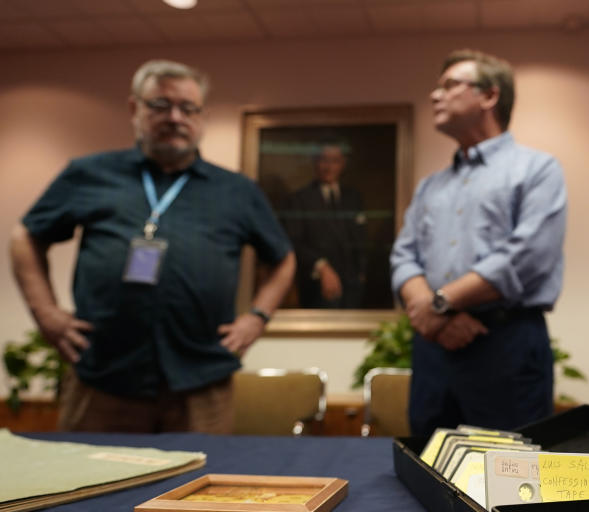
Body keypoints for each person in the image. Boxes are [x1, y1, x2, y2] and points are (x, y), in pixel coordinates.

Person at [9, 59, 295, 434]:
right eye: (160, 105)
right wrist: (46, 313)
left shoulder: (237, 191)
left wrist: (257, 317)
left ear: (201, 116)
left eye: (188, 108)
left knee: (199, 490)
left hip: (202, 384)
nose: (175, 117)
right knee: (90, 488)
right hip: (104, 379)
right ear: (134, 109)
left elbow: (283, 259)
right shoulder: (89, 174)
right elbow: (25, 237)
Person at [390, 49, 567, 437]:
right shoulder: (430, 186)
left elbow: (527, 256)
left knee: (513, 479)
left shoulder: (536, 169)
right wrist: (437, 319)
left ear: (489, 96)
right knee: (427, 469)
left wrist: (439, 303)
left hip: (505, 346)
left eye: (450, 85)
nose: (436, 95)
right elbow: (404, 256)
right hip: (433, 350)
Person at [287, 141, 367, 308]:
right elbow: (293, 241)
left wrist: (361, 272)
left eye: (335, 161)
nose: (328, 167)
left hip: (354, 288)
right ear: (315, 162)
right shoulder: (300, 199)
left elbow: (361, 238)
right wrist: (321, 267)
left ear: (342, 164)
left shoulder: (353, 197)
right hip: (317, 287)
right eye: (324, 160)